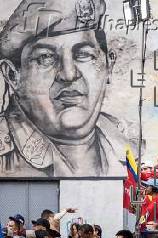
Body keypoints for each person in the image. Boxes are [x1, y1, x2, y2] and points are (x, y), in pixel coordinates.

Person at [0, 0, 133, 177]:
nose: (69, 74)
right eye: (45, 57)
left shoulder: (128, 143)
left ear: (109, 65)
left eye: (84, 54)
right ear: (12, 75)